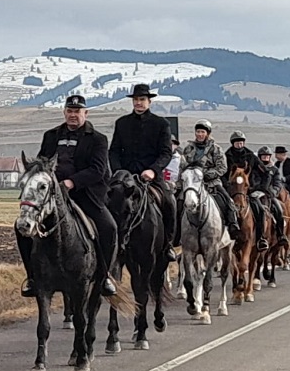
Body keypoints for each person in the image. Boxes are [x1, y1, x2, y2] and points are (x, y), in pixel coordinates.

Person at [22, 94, 118, 297]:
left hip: (86, 195)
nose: (73, 115)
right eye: (70, 111)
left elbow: (98, 170)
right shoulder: (51, 136)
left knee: (109, 228)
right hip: (52, 197)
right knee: (21, 225)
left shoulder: (98, 139)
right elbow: (43, 164)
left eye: (77, 111)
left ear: (86, 113)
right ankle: (32, 277)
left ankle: (104, 276)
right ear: (64, 112)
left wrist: (71, 182)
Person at [109, 84, 176, 261]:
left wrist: (153, 171)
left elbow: (166, 153)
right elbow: (114, 151)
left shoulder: (161, 124)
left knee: (170, 202)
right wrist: (119, 172)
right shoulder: (122, 123)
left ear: (149, 101)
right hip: (125, 177)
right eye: (136, 100)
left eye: (142, 100)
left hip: (151, 177)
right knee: (109, 201)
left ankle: (168, 245)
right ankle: (110, 245)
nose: (138, 103)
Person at [178, 120, 241, 238]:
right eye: (198, 132)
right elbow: (183, 166)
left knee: (227, 201)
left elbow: (222, 168)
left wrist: (206, 174)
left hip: (212, 183)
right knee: (178, 202)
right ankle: (175, 234)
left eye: (202, 132)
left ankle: (232, 225)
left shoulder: (216, 149)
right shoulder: (188, 149)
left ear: (208, 133)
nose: (200, 134)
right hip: (192, 183)